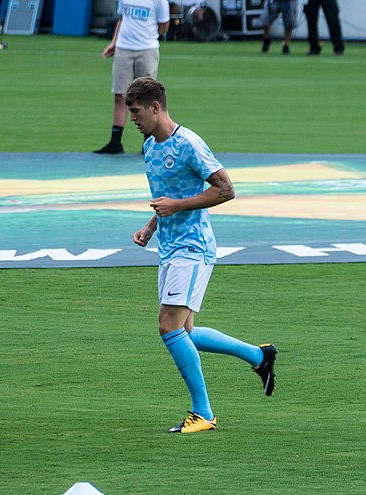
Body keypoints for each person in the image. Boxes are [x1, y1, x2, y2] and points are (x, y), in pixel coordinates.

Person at [127, 76, 278, 434]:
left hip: (193, 248)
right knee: (185, 333)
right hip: (170, 246)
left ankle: (203, 413)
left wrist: (176, 206)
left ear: (155, 107)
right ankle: (260, 356)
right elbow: (168, 194)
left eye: (135, 111)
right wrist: (151, 225)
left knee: (168, 326)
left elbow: (226, 190)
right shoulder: (150, 146)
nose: (131, 118)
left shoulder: (189, 144)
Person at [94, 0, 170, 155]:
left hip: (147, 49)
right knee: (120, 94)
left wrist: (146, 37)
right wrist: (114, 43)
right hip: (124, 48)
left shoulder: (159, 1)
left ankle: (148, 141)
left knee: (146, 96)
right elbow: (122, 19)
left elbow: (164, 27)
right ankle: (115, 142)